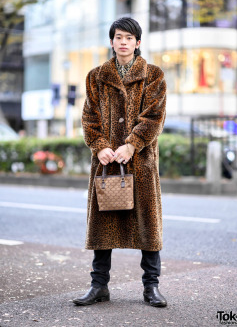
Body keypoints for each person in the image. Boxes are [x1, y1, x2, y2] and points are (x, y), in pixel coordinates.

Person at [73, 17, 167, 308]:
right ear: (111, 42)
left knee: (148, 227)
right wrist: (99, 146)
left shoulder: (153, 75)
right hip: (107, 163)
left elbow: (154, 117)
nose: (123, 42)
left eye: (129, 37)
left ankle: (151, 287)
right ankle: (98, 286)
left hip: (141, 163)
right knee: (103, 227)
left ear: (138, 43)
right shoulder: (96, 76)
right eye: (118, 37)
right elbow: (89, 118)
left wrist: (132, 145)